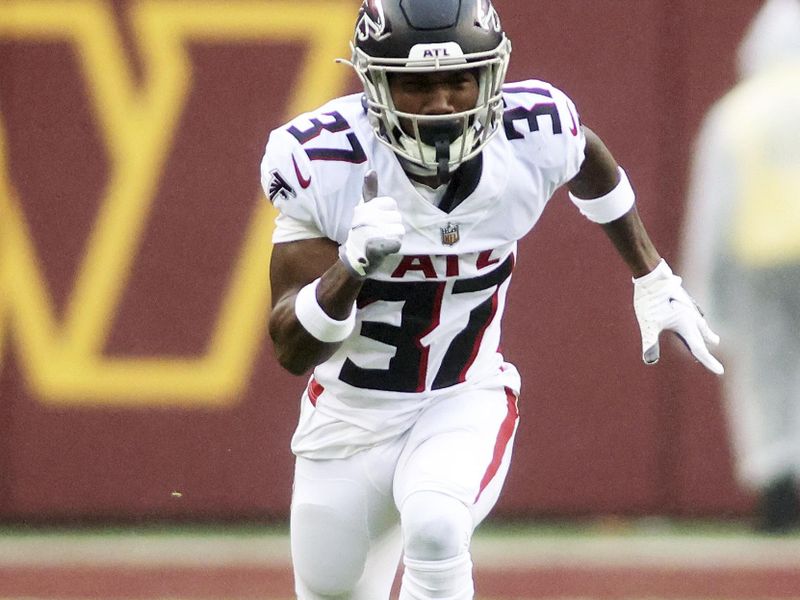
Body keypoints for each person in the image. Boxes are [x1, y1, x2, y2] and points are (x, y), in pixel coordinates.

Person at [262, 0, 723, 597]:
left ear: (492, 76)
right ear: (374, 82)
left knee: (436, 525)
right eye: (417, 85)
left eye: (460, 79)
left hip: (461, 400)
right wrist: (350, 268)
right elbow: (292, 350)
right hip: (346, 419)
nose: (443, 103)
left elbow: (588, 159)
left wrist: (652, 275)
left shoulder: (532, 134)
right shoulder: (322, 162)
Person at [681, 0, 800, 534]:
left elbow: (713, 212)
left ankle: (778, 493)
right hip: (765, 260)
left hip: (762, 259)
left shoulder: (737, 113)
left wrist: (702, 296)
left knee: (766, 379)